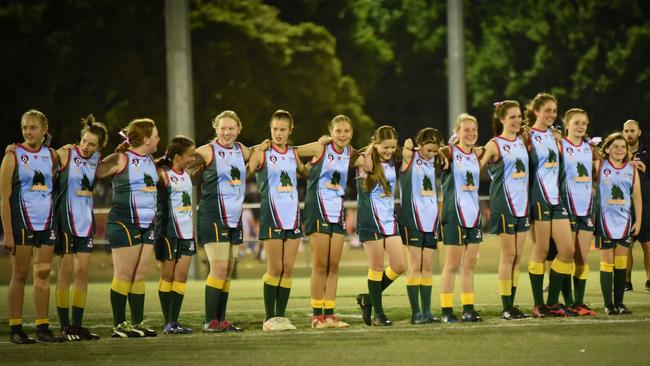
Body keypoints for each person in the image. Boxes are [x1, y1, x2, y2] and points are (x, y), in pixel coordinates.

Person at [193, 110, 264, 333]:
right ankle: (209, 320)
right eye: (223, 128)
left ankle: (220, 320)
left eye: (231, 128)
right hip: (213, 215)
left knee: (229, 268)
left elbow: (255, 154)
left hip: (234, 217)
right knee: (220, 268)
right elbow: (183, 166)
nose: (227, 132)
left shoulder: (241, 150)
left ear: (238, 129)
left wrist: (262, 148)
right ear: (215, 128)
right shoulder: (206, 151)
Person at [1, 110, 62, 344]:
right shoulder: (12, 155)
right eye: (25, 127)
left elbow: (75, 159)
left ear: (44, 130)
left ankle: (42, 327)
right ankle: (16, 329)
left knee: (43, 273)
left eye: (33, 127)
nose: (28, 131)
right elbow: (3, 197)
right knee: (20, 274)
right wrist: (7, 232)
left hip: (47, 224)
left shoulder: (52, 155)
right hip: (22, 223)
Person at [297, 115, 363, 329]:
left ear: (351, 133)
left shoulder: (350, 152)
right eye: (338, 131)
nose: (342, 135)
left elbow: (368, 156)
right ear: (331, 132)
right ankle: (317, 316)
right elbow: (293, 151)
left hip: (337, 211)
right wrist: (304, 170)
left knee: (334, 266)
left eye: (346, 131)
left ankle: (330, 315)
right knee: (320, 264)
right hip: (317, 209)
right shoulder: (321, 148)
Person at [98, 118, 160, 338]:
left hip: (146, 224)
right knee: (124, 273)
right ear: (145, 139)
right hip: (124, 222)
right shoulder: (122, 158)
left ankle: (137, 322)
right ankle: (119, 324)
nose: (158, 139)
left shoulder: (151, 159)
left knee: (139, 274)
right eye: (155, 136)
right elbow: (94, 170)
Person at [247, 110, 306, 332]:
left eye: (282, 129)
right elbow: (242, 175)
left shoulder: (293, 153)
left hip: (293, 217)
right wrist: (254, 152)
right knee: (275, 268)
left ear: (290, 130)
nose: (278, 133)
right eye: (274, 129)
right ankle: (269, 318)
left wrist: (324, 148)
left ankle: (281, 316)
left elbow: (306, 172)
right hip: (271, 216)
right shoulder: (262, 153)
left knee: (288, 268)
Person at [54, 115, 108, 340]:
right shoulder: (66, 153)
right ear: (80, 139)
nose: (86, 147)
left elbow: (113, 165)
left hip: (86, 223)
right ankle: (65, 326)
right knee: (65, 272)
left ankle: (77, 326)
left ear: (99, 146)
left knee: (83, 272)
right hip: (65, 221)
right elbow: (41, 159)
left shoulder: (97, 159)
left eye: (92, 144)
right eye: (84, 141)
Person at [524, 93, 576, 317]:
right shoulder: (527, 136)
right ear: (536, 111)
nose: (552, 115)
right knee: (542, 249)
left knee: (567, 250)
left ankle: (553, 302)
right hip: (538, 197)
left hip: (557, 198)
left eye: (554, 111)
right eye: (547, 110)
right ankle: (539, 305)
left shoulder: (556, 136)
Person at [480, 101, 529, 320]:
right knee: (508, 255)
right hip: (504, 204)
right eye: (512, 117)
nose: (517, 120)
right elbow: (475, 166)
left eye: (519, 116)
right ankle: (506, 306)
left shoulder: (521, 141)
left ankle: (513, 304)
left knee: (518, 256)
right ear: (502, 119)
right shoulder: (494, 144)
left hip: (523, 204)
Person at [355, 125, 405, 326]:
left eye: (393, 147)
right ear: (375, 143)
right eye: (385, 147)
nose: (389, 151)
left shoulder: (394, 158)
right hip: (369, 219)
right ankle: (379, 314)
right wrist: (368, 151)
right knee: (376, 266)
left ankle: (368, 298)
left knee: (400, 265)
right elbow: (344, 153)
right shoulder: (363, 159)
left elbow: (415, 152)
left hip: (389, 219)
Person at [438, 114, 483, 323]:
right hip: (454, 214)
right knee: (452, 264)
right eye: (466, 130)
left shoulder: (478, 153)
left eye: (473, 130)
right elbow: (428, 155)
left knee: (470, 263)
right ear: (457, 132)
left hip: (473, 215)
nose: (471, 133)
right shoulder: (448, 152)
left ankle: (468, 308)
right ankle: (446, 310)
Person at [399, 128, 445, 324]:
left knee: (427, 267)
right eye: (429, 150)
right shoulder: (410, 156)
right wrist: (408, 147)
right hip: (413, 219)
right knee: (415, 266)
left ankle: (426, 312)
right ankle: (415, 313)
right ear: (420, 145)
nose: (432, 154)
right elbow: (400, 149)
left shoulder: (434, 159)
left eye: (435, 151)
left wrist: (439, 153)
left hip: (431, 220)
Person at [594, 133, 642, 314]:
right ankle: (608, 305)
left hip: (625, 221)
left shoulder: (631, 169)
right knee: (607, 262)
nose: (620, 150)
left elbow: (636, 196)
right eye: (615, 146)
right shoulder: (599, 166)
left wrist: (638, 220)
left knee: (621, 263)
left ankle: (619, 303)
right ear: (607, 149)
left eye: (623, 147)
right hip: (604, 221)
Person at [557, 109, 598, 316]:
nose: (581, 127)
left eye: (584, 123)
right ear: (567, 125)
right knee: (567, 255)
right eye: (577, 123)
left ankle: (578, 302)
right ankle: (567, 301)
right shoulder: (560, 146)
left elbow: (609, 162)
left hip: (587, 208)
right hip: (567, 206)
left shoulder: (590, 149)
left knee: (582, 258)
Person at [155, 136, 196, 335]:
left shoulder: (187, 172)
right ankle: (168, 322)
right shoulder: (162, 174)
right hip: (168, 232)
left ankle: (174, 321)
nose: (193, 158)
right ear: (178, 156)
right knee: (168, 276)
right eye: (190, 155)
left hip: (187, 233)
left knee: (181, 277)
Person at [622, 120, 650, 292]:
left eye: (632, 130)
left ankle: (649, 280)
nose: (629, 134)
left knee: (647, 245)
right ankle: (626, 281)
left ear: (639, 132)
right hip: (624, 205)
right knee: (626, 245)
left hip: (646, 204)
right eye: (626, 131)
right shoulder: (618, 152)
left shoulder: (647, 153)